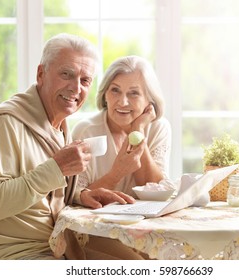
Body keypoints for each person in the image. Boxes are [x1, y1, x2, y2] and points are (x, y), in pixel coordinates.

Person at [0, 33, 143, 260]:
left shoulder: (57, 124)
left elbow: (45, 192)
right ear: (41, 74)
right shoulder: (5, 124)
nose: (76, 88)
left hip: (57, 243)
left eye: (85, 81)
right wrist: (56, 168)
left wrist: (82, 195)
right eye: (67, 74)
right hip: (19, 254)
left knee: (137, 260)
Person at [71, 55, 171, 197]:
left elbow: (155, 193)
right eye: (115, 90)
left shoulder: (158, 128)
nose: (123, 102)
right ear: (105, 94)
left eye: (134, 93)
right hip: (97, 217)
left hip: (147, 219)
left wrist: (138, 131)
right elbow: (76, 198)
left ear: (150, 99)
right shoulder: (86, 131)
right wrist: (117, 174)